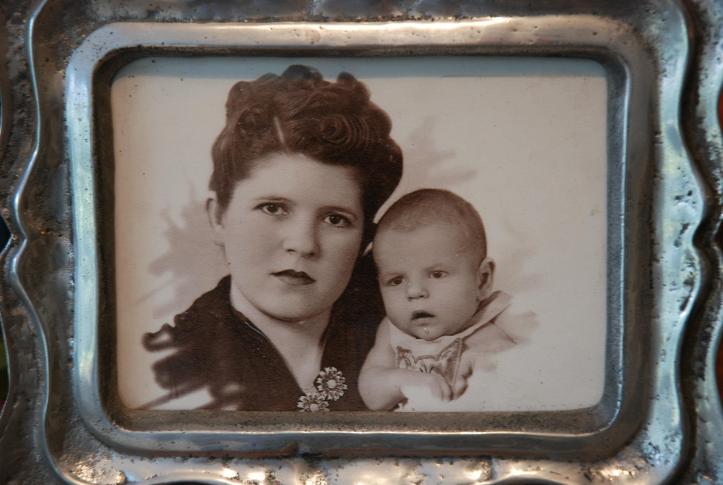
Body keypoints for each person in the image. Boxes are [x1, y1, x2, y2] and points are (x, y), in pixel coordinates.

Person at [142, 65, 403, 411]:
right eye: (273, 208)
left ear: (366, 240)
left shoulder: (417, 336)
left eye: (335, 219)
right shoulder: (165, 367)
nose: (303, 244)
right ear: (219, 217)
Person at [358, 189, 535, 411]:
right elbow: (372, 396)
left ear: (482, 280)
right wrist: (401, 380)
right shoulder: (391, 332)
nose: (414, 291)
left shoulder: (484, 331)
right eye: (396, 280)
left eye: (437, 274)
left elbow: (519, 381)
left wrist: (479, 364)